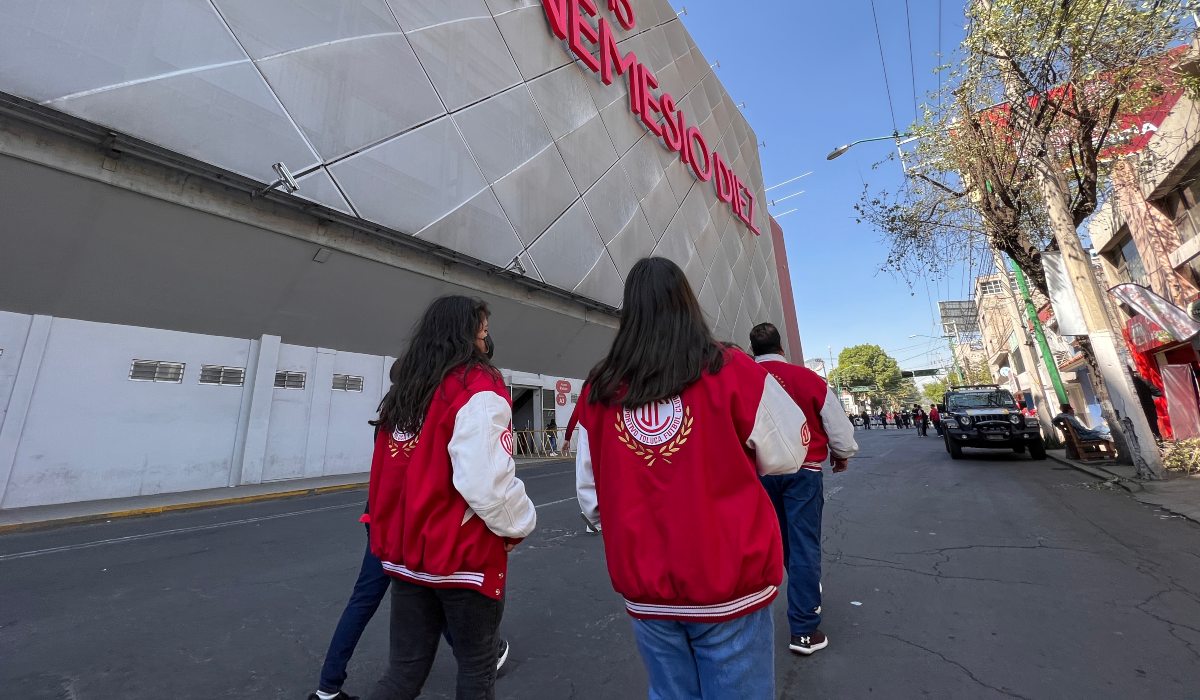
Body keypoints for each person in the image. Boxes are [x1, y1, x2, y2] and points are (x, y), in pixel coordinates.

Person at [574, 257, 808, 699]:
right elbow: (789, 454)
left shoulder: (599, 388)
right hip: (729, 578)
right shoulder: (732, 369)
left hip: (646, 587)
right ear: (687, 302)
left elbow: (590, 494)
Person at [366, 296, 536, 700]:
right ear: (466, 333)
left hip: (407, 556)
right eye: (482, 329)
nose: (486, 337)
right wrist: (519, 523)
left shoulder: (406, 393)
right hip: (462, 557)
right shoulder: (478, 386)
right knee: (477, 672)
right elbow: (485, 479)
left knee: (403, 674)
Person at [749, 322, 858, 656]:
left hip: (759, 474)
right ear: (782, 348)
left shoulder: (741, 380)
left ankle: (799, 591)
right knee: (804, 544)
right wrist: (840, 455)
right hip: (804, 471)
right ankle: (804, 630)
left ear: (752, 349)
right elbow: (838, 428)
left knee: (778, 542)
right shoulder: (809, 380)